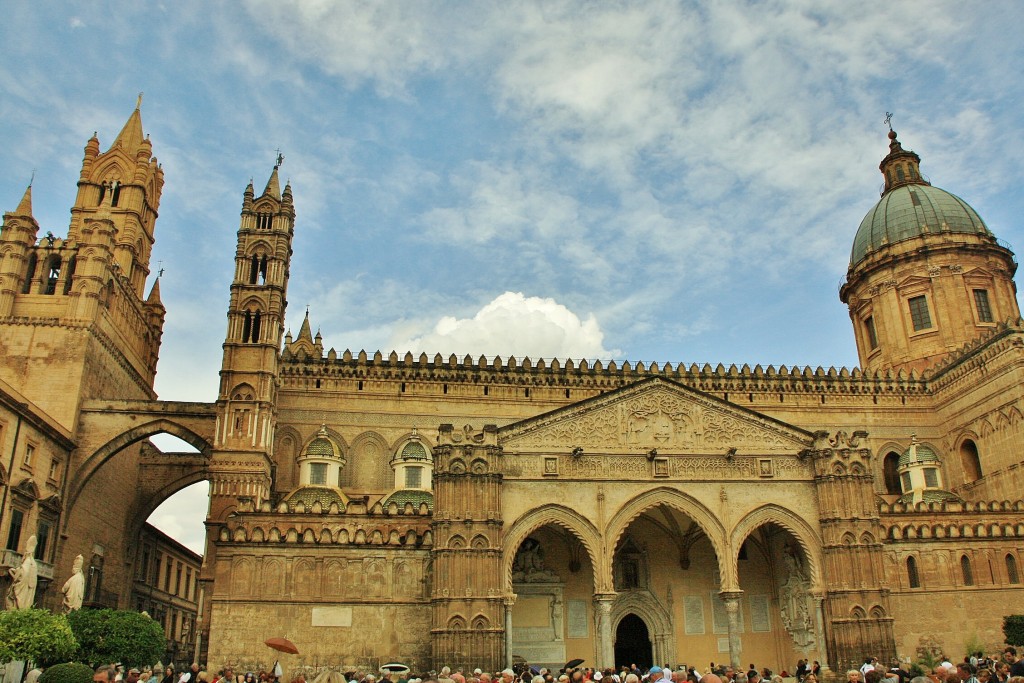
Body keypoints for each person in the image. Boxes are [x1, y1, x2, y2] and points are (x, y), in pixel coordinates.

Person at [8, 535, 38, 610]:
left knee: (12, 599)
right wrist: (15, 571)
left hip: (23, 589)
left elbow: (23, 573)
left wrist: (15, 573)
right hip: (27, 590)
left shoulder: (28, 562)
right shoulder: (33, 563)